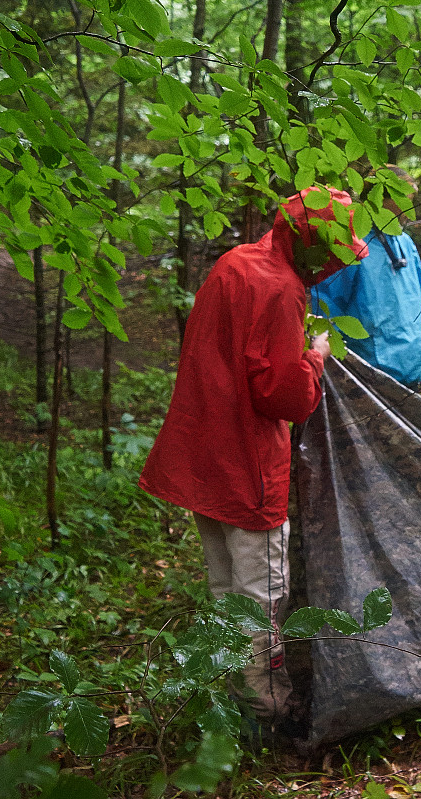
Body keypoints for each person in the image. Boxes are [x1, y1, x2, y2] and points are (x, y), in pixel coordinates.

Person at [138, 188, 367, 733]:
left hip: (203, 455)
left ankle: (229, 701)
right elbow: (284, 397)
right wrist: (314, 357)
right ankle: (266, 711)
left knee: (225, 591)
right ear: (318, 249)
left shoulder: (235, 263)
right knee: (262, 596)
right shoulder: (282, 290)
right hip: (245, 463)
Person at [310, 173, 421, 389]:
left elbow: (417, 298)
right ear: (380, 199)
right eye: (405, 201)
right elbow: (327, 310)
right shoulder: (349, 246)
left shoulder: (405, 243)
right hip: (371, 379)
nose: (409, 212)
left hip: (414, 370)